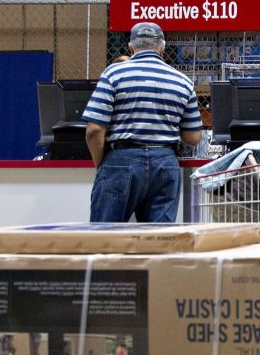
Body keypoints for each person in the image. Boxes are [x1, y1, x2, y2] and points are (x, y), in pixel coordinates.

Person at [83, 21, 203, 222]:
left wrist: (101, 164)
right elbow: (193, 137)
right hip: (166, 162)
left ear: (131, 47)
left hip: (120, 159)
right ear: (162, 48)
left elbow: (94, 130)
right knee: (159, 240)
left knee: (105, 237)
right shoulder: (183, 81)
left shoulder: (114, 73)